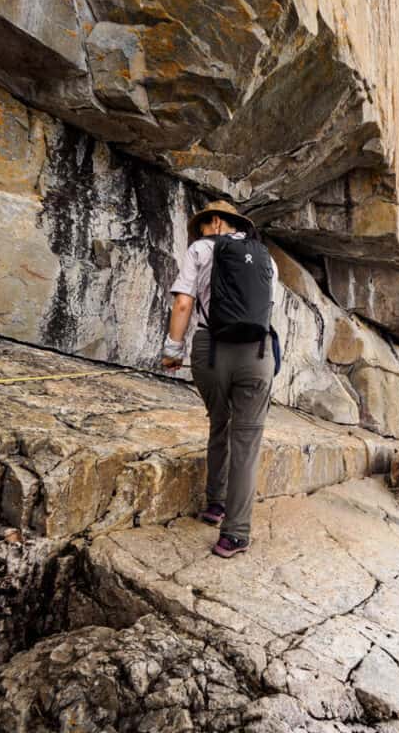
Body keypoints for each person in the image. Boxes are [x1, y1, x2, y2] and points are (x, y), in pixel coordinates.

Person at [162, 200, 278, 559]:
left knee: (219, 422)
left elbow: (183, 304)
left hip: (211, 351)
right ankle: (235, 535)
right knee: (247, 440)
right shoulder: (266, 259)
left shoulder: (199, 249)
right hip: (257, 355)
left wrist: (172, 350)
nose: (199, 233)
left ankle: (215, 503)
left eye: (202, 226)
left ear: (214, 222)